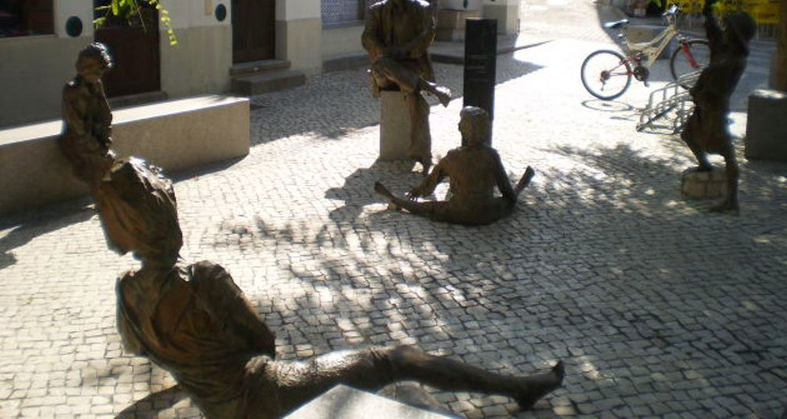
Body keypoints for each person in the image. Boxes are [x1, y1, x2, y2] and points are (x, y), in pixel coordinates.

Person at [99, 155, 563, 418]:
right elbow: (264, 342)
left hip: (217, 407)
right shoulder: (203, 278)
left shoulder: (126, 292)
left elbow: (151, 353)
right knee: (392, 360)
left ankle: (519, 387)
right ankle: (519, 387)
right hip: (265, 394)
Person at [375, 106, 534, 226]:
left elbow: (430, 184)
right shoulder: (491, 155)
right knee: (509, 201)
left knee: (429, 208)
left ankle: (398, 201)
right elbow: (507, 192)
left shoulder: (452, 157)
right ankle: (521, 185)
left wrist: (418, 191)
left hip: (458, 213)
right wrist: (513, 196)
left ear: (463, 130)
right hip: (486, 213)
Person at [362, 0, 452, 173]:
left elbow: (426, 36)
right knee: (382, 62)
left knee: (412, 95)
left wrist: (400, 52)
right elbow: (367, 37)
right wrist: (384, 51)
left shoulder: (423, 8)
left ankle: (422, 154)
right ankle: (433, 89)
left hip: (412, 66)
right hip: (385, 72)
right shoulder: (375, 11)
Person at [680, 9, 756, 214]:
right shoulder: (724, 50)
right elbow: (714, 38)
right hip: (705, 105)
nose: (725, 31)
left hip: (715, 108)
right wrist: (708, 16)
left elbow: (715, 82)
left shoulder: (734, 60)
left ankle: (732, 201)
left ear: (736, 33)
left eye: (728, 28)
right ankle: (704, 164)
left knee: (726, 151)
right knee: (688, 134)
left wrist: (700, 89)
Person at [59, 43, 115, 187]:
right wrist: (95, 147)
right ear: (84, 69)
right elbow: (77, 127)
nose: (99, 75)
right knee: (101, 164)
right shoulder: (72, 90)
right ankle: (103, 198)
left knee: (109, 159)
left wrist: (105, 138)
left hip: (94, 137)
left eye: (101, 72)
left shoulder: (97, 85)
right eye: (96, 71)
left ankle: (107, 198)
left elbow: (106, 114)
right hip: (76, 140)